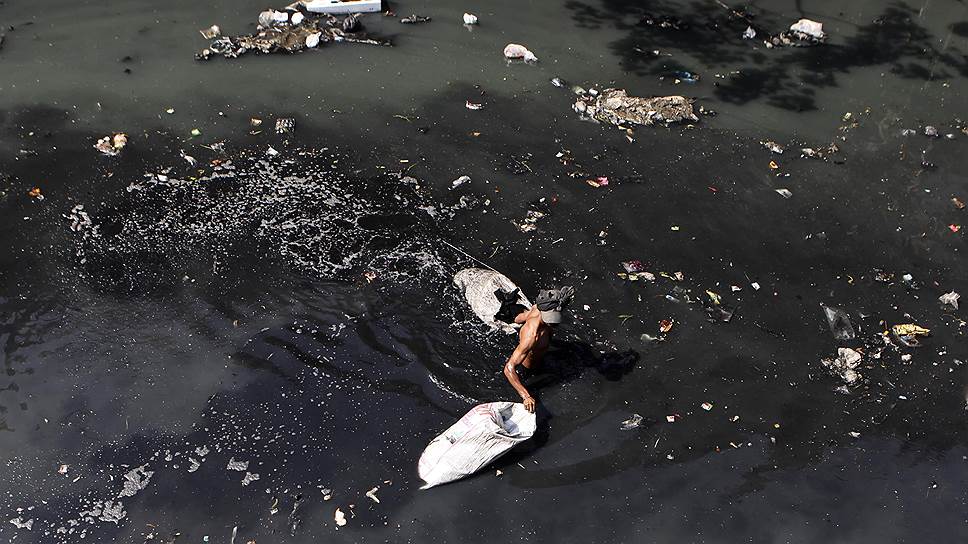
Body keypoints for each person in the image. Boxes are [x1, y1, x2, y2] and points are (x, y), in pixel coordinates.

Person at [502, 287, 574, 412]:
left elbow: (522, 317)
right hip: (529, 370)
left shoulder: (537, 308)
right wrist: (526, 396)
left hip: (542, 355)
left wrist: (507, 311)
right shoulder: (532, 336)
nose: (554, 322)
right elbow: (509, 368)